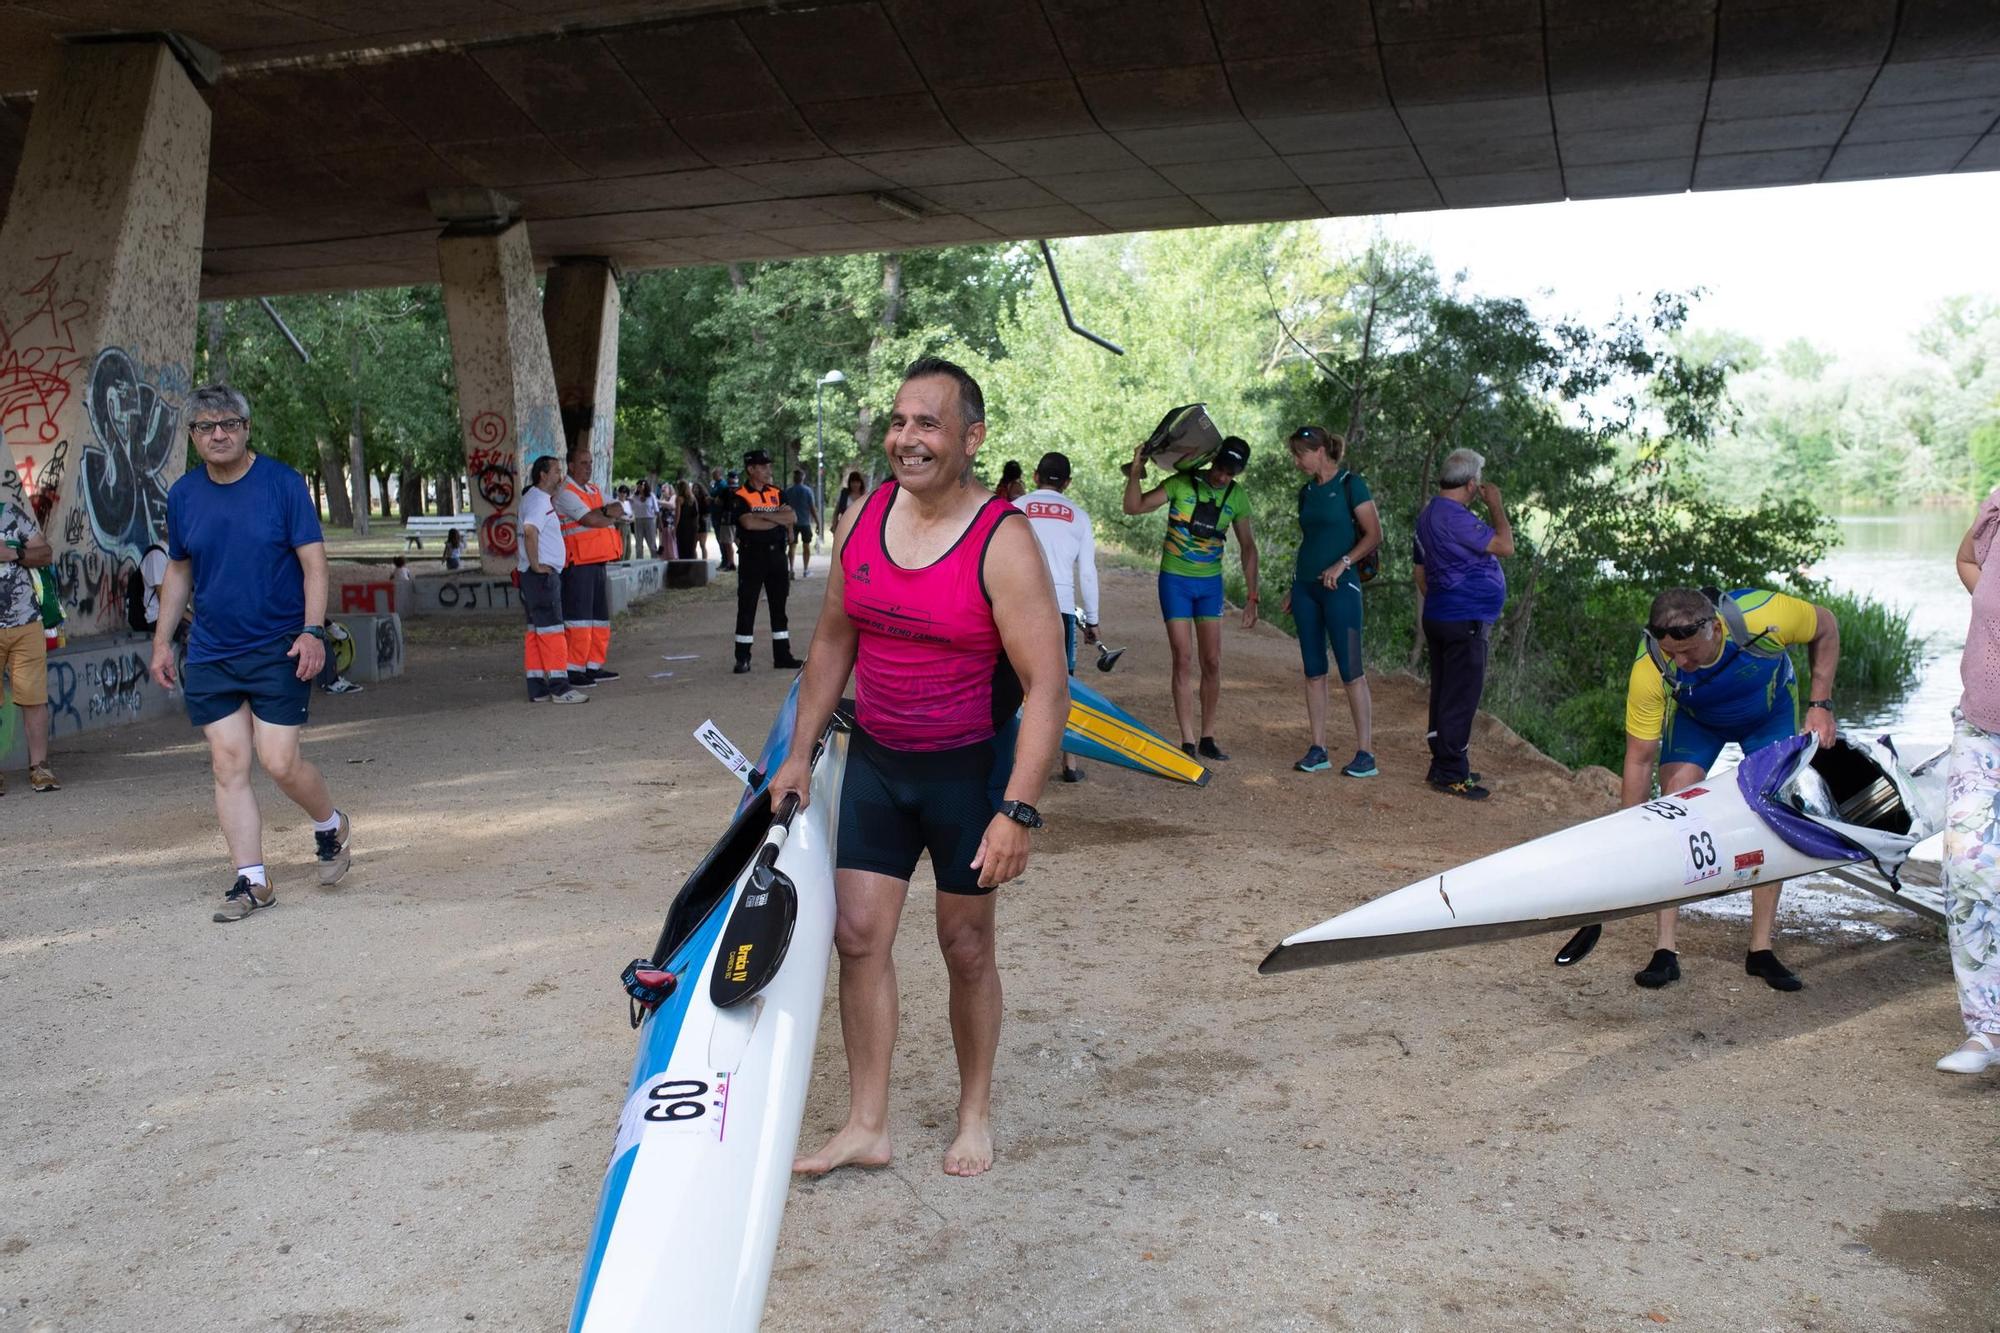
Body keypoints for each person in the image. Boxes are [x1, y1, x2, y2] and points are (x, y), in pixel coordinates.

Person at [783, 356, 1066, 1179]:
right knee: (858, 934)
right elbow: (834, 640)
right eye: (900, 421)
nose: (908, 438)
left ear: (972, 438)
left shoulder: (1002, 540)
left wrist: (1017, 809)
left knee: (965, 945)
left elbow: (1048, 686)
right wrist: (799, 756)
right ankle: (867, 1122)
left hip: (966, 772)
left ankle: (974, 1111)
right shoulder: (865, 517)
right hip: (876, 760)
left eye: (928, 423)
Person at [1559, 585, 1842, 990]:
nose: (1682, 663)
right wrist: (1626, 831)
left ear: (1715, 627)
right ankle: (1665, 949)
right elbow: (1638, 760)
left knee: (1772, 812)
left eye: (1690, 651)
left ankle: (1760, 949)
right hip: (1698, 721)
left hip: (1769, 712)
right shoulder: (1651, 666)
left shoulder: (1762, 616)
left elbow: (1826, 626)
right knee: (1674, 812)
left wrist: (1821, 704)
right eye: (1672, 654)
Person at [147, 384, 354, 922]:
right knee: (228, 763)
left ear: (246, 428)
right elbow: (179, 569)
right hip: (213, 649)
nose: (218, 434)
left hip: (278, 646)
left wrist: (312, 631)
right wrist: (162, 640)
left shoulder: (283, 485)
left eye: (228, 424)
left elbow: (314, 564)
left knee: (280, 762)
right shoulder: (185, 494)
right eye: (205, 427)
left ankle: (330, 825)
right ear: (193, 437)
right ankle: (253, 880)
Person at [1123, 434, 1260, 760]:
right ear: (1213, 459)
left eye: (1230, 473)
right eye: (1220, 467)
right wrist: (1135, 471)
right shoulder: (1182, 483)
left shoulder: (1236, 497)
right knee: (1182, 658)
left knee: (1211, 661)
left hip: (1209, 584)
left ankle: (1207, 737)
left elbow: (1249, 547)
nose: (1222, 476)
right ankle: (1186, 739)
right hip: (1176, 582)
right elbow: (1133, 507)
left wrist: (1253, 594)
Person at [1411, 447, 1513, 800]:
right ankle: (1452, 773)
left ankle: (1446, 762)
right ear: (1472, 484)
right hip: (1463, 618)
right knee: (1461, 696)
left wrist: (1442, 599)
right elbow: (1504, 544)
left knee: (1445, 691)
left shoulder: (1428, 515)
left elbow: (1420, 572)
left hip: (1442, 614)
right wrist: (1495, 505)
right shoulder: (1454, 516)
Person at [1280, 426, 1381, 779]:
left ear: (1320, 450)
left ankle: (1365, 752)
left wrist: (1344, 563)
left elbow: (1374, 534)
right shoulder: (1306, 492)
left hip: (1343, 587)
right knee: (1313, 670)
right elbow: (1310, 541)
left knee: (1351, 670)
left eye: (1300, 454)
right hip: (1307, 588)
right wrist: (1295, 587)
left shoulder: (1353, 484)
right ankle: (1318, 748)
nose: (1296, 461)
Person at [1939, 495, 2000, 1073]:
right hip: (1982, 728)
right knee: (1968, 866)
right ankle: (1987, 1031)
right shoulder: (1998, 508)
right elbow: (1968, 560)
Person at [1015, 450, 1100, 783]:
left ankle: (1008, 755)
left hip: (1017, 605)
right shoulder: (1079, 517)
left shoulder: (1015, 508)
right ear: (1067, 483)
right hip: (1060, 607)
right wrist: (1092, 619)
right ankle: (1070, 762)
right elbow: (1088, 573)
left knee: (1010, 679)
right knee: (1064, 685)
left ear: (1036, 476)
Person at [553, 442, 625, 689]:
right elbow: (590, 519)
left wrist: (605, 511)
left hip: (597, 561)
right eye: (583, 463)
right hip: (578, 563)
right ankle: (574, 669)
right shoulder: (566, 493)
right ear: (570, 465)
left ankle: (593, 665)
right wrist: (606, 513)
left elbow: (619, 508)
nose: (588, 467)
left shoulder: (593, 490)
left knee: (598, 618)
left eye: (590, 462)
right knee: (579, 619)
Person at [0, 494, 58, 795]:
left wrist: (15, 554)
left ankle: (40, 768)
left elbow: (45, 553)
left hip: (26, 623)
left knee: (33, 698)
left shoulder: (10, 515)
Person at [727, 451, 805, 674]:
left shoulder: (777, 493)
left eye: (769, 465)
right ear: (751, 470)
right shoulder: (740, 495)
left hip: (777, 556)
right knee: (747, 607)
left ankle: (782, 655)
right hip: (752, 556)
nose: (768, 469)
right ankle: (742, 658)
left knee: (779, 606)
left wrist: (763, 516)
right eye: (763, 466)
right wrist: (775, 518)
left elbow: (791, 518)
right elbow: (748, 524)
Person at [520, 455, 588, 704]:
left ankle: (537, 687)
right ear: (543, 475)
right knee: (552, 632)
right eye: (557, 471)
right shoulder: (539, 501)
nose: (561, 477)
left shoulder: (534, 499)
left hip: (533, 577)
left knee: (537, 632)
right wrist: (536, 564)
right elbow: (530, 531)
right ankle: (560, 688)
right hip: (541, 577)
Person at [783, 467, 818, 579]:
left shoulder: (788, 491)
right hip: (804, 523)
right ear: (803, 478)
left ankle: (791, 570)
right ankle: (805, 569)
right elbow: (812, 508)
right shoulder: (807, 491)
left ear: (794, 478)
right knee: (806, 546)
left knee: (792, 546)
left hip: (792, 524)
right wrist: (817, 522)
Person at [708, 467, 737, 571]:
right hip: (728, 517)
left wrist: (711, 499)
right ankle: (728, 562)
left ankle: (729, 562)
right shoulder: (736, 488)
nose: (713, 476)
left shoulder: (725, 487)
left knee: (727, 542)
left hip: (725, 518)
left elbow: (719, 501)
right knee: (729, 541)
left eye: (714, 474)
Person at [633, 481, 661, 559]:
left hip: (650, 520)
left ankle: (654, 559)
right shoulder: (635, 496)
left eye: (640, 486)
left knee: (652, 542)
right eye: (638, 486)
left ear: (645, 486)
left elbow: (657, 510)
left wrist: (660, 523)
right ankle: (639, 561)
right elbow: (632, 507)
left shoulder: (651, 496)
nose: (639, 488)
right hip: (638, 520)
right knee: (638, 543)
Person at [614, 484, 635, 561]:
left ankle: (626, 562)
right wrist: (625, 519)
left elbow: (632, 514)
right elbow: (616, 516)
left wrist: (631, 518)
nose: (623, 494)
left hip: (628, 526)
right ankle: (621, 563)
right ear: (618, 493)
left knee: (628, 548)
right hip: (620, 526)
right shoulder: (615, 502)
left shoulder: (627, 503)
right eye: (621, 492)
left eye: (625, 492)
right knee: (622, 546)